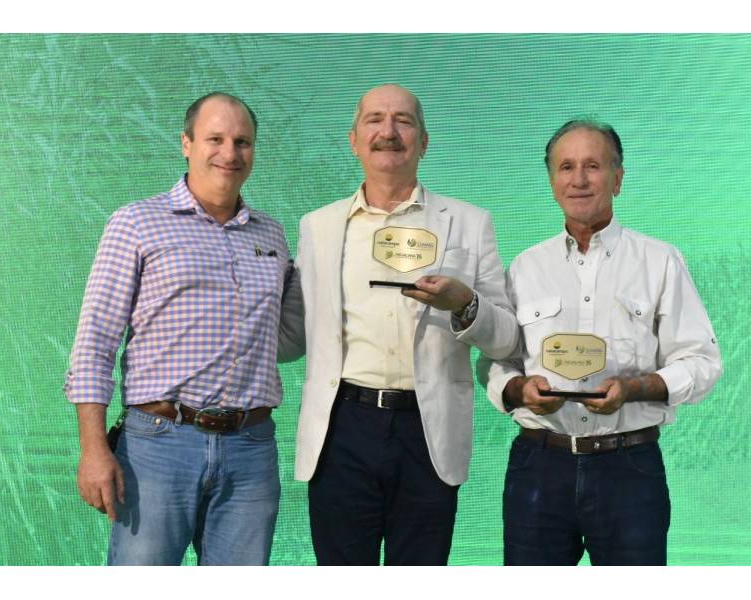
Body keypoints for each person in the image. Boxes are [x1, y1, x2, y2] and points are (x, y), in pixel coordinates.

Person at [64, 92, 303, 565]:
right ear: (187, 143)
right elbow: (95, 343)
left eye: (242, 142)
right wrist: (93, 450)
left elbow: (279, 338)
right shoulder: (136, 223)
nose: (229, 153)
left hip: (251, 448)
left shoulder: (271, 235)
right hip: (157, 445)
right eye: (215, 139)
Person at [292, 84, 518, 565]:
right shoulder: (318, 226)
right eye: (374, 119)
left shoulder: (470, 223)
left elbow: (505, 339)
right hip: (340, 429)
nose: (388, 132)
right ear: (354, 140)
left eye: (404, 121)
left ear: (424, 142)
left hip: (428, 430)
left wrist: (465, 304)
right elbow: (294, 329)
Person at [481, 119, 723, 565]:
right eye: (566, 167)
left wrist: (635, 388)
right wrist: (518, 390)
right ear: (552, 181)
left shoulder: (660, 261)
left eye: (592, 166)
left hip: (629, 469)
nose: (579, 179)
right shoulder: (525, 267)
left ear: (618, 178)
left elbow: (702, 361)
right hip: (539, 467)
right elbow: (497, 361)